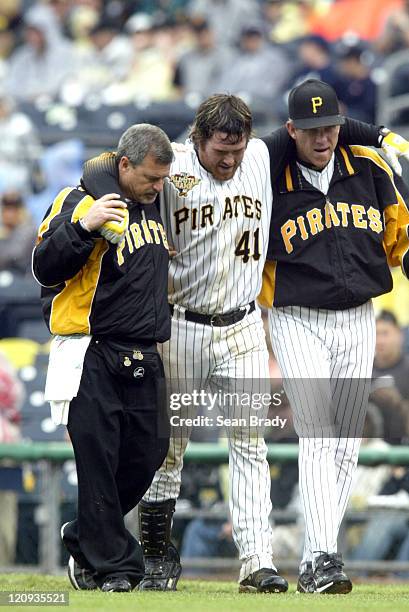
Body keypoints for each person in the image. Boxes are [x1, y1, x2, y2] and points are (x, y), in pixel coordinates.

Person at [132, 93, 409, 593]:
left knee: (249, 444)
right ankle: (156, 555)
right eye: (221, 150)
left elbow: (329, 128)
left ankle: (258, 562)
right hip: (182, 326)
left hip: (242, 326)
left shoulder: (260, 154)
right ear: (198, 139)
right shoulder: (173, 169)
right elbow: (123, 171)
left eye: (237, 149)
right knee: (169, 447)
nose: (231, 159)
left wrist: (384, 135)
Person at [259, 78, 409, 594]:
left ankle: (318, 558)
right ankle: (321, 556)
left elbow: (398, 235)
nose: (323, 138)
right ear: (292, 130)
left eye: (331, 127)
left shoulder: (368, 167)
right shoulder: (268, 172)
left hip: (358, 316)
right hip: (297, 316)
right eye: (313, 130)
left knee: (344, 443)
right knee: (319, 433)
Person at [32, 124, 174, 592]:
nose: (158, 188)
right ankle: (118, 568)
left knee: (150, 452)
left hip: (145, 352)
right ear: (124, 165)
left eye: (163, 180)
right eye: (150, 179)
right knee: (97, 460)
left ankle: (85, 538)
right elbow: (42, 268)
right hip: (91, 350)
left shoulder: (155, 205)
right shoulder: (78, 200)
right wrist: (82, 228)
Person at [0, 191, 37, 275]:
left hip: (24, 278)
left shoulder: (29, 230)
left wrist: (5, 235)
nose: (9, 215)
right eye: (6, 209)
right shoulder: (4, 229)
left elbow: (15, 256)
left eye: (13, 210)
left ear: (21, 210)